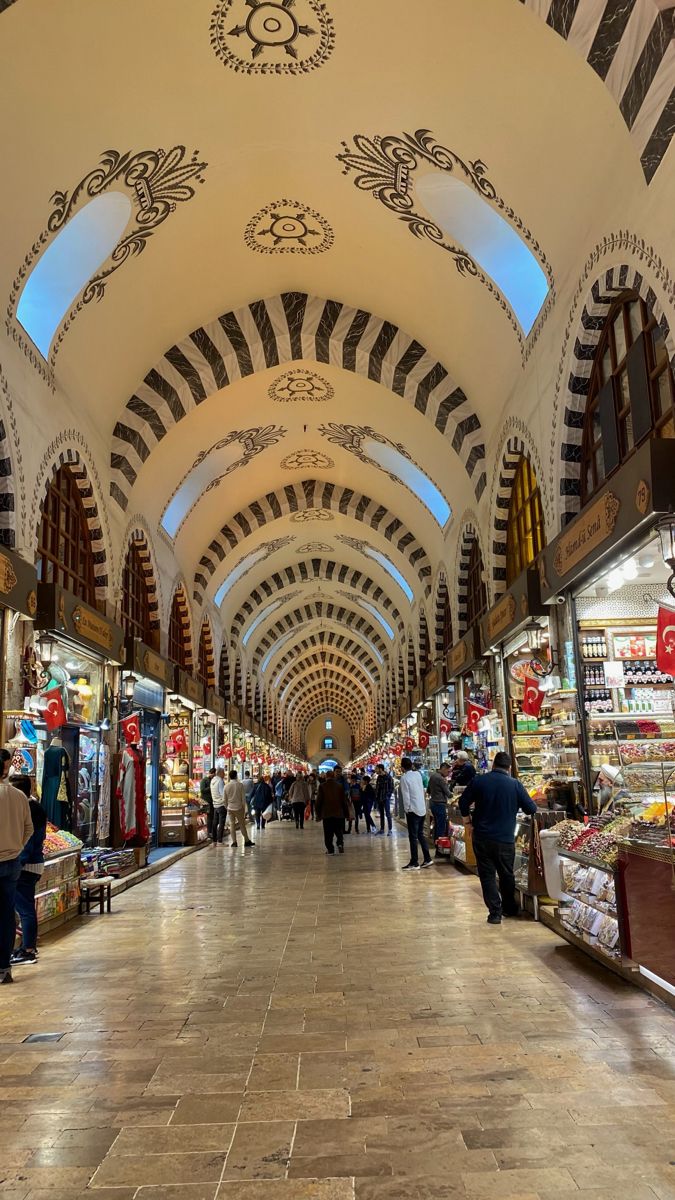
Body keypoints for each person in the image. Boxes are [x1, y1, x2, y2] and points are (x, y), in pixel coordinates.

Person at [459, 750, 538, 924]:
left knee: (487, 875)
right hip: (505, 838)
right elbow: (531, 809)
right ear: (509, 768)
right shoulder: (515, 784)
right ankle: (509, 908)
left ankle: (495, 913)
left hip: (482, 837)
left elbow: (462, 802)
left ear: (493, 765)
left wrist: (468, 823)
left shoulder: (480, 781)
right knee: (506, 874)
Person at [0, 749, 33, 985]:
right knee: (6, 915)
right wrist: (16, 848)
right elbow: (29, 829)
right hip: (12, 862)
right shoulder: (19, 797)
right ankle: (4, 966)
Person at [9, 776, 46, 967]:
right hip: (33, 864)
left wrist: (16, 863)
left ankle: (28, 950)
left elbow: (28, 842)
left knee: (24, 909)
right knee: (26, 907)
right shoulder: (34, 807)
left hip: (26, 865)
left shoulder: (30, 809)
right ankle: (28, 946)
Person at [399, 756, 432, 870]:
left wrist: (407, 809)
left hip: (412, 810)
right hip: (421, 808)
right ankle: (427, 858)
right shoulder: (417, 774)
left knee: (413, 837)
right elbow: (422, 789)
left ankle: (414, 862)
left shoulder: (404, 778)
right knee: (420, 834)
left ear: (402, 768)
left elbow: (406, 795)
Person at [315, 769, 349, 855]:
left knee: (328, 832)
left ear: (326, 777)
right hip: (339, 813)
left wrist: (318, 814)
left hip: (327, 813)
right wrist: (346, 814)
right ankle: (340, 844)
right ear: (334, 776)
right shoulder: (339, 786)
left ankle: (330, 849)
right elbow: (344, 801)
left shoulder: (322, 786)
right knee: (339, 831)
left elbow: (319, 801)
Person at [224, 771, 255, 848]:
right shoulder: (240, 785)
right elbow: (243, 799)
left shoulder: (226, 786)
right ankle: (247, 841)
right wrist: (244, 809)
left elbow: (224, 800)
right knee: (242, 825)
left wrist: (226, 807)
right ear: (236, 776)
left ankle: (234, 842)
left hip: (230, 808)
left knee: (232, 825)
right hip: (239, 808)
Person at [427, 762, 451, 852]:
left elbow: (428, 790)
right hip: (440, 804)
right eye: (448, 771)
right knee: (441, 826)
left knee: (437, 825)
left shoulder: (432, 776)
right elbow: (448, 793)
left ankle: (436, 845)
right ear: (443, 768)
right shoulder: (441, 779)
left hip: (433, 803)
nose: (448, 773)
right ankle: (439, 849)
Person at [210, 767, 228, 845]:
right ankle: (220, 841)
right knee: (221, 823)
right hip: (221, 804)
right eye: (223, 773)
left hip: (215, 804)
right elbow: (222, 793)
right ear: (220, 773)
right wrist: (226, 802)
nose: (224, 774)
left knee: (215, 822)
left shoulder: (212, 780)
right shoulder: (220, 781)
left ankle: (214, 840)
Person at [374, 763, 393, 835]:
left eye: (376, 768)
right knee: (381, 814)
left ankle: (390, 830)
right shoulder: (379, 777)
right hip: (379, 798)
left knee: (388, 814)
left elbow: (391, 788)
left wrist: (388, 796)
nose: (375, 770)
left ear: (380, 769)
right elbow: (377, 788)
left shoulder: (388, 777)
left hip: (385, 798)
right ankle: (382, 829)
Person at [201, 767, 216, 838]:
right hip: (206, 802)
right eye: (214, 775)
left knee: (212, 817)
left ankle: (212, 832)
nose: (214, 776)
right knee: (209, 817)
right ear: (211, 773)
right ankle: (209, 832)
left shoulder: (213, 780)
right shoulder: (204, 780)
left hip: (213, 801)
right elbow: (202, 790)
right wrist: (211, 787)